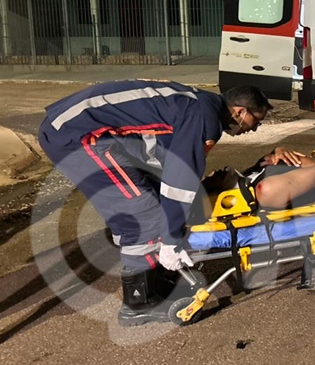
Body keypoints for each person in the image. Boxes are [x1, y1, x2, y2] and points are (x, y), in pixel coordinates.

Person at [37, 80, 272, 326]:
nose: (254, 129)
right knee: (143, 214)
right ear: (240, 112)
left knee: (150, 197)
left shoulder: (200, 104)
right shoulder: (204, 118)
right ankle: (139, 303)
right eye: (256, 121)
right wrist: (170, 239)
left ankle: (153, 277)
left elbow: (167, 163)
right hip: (76, 136)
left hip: (77, 127)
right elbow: (180, 179)